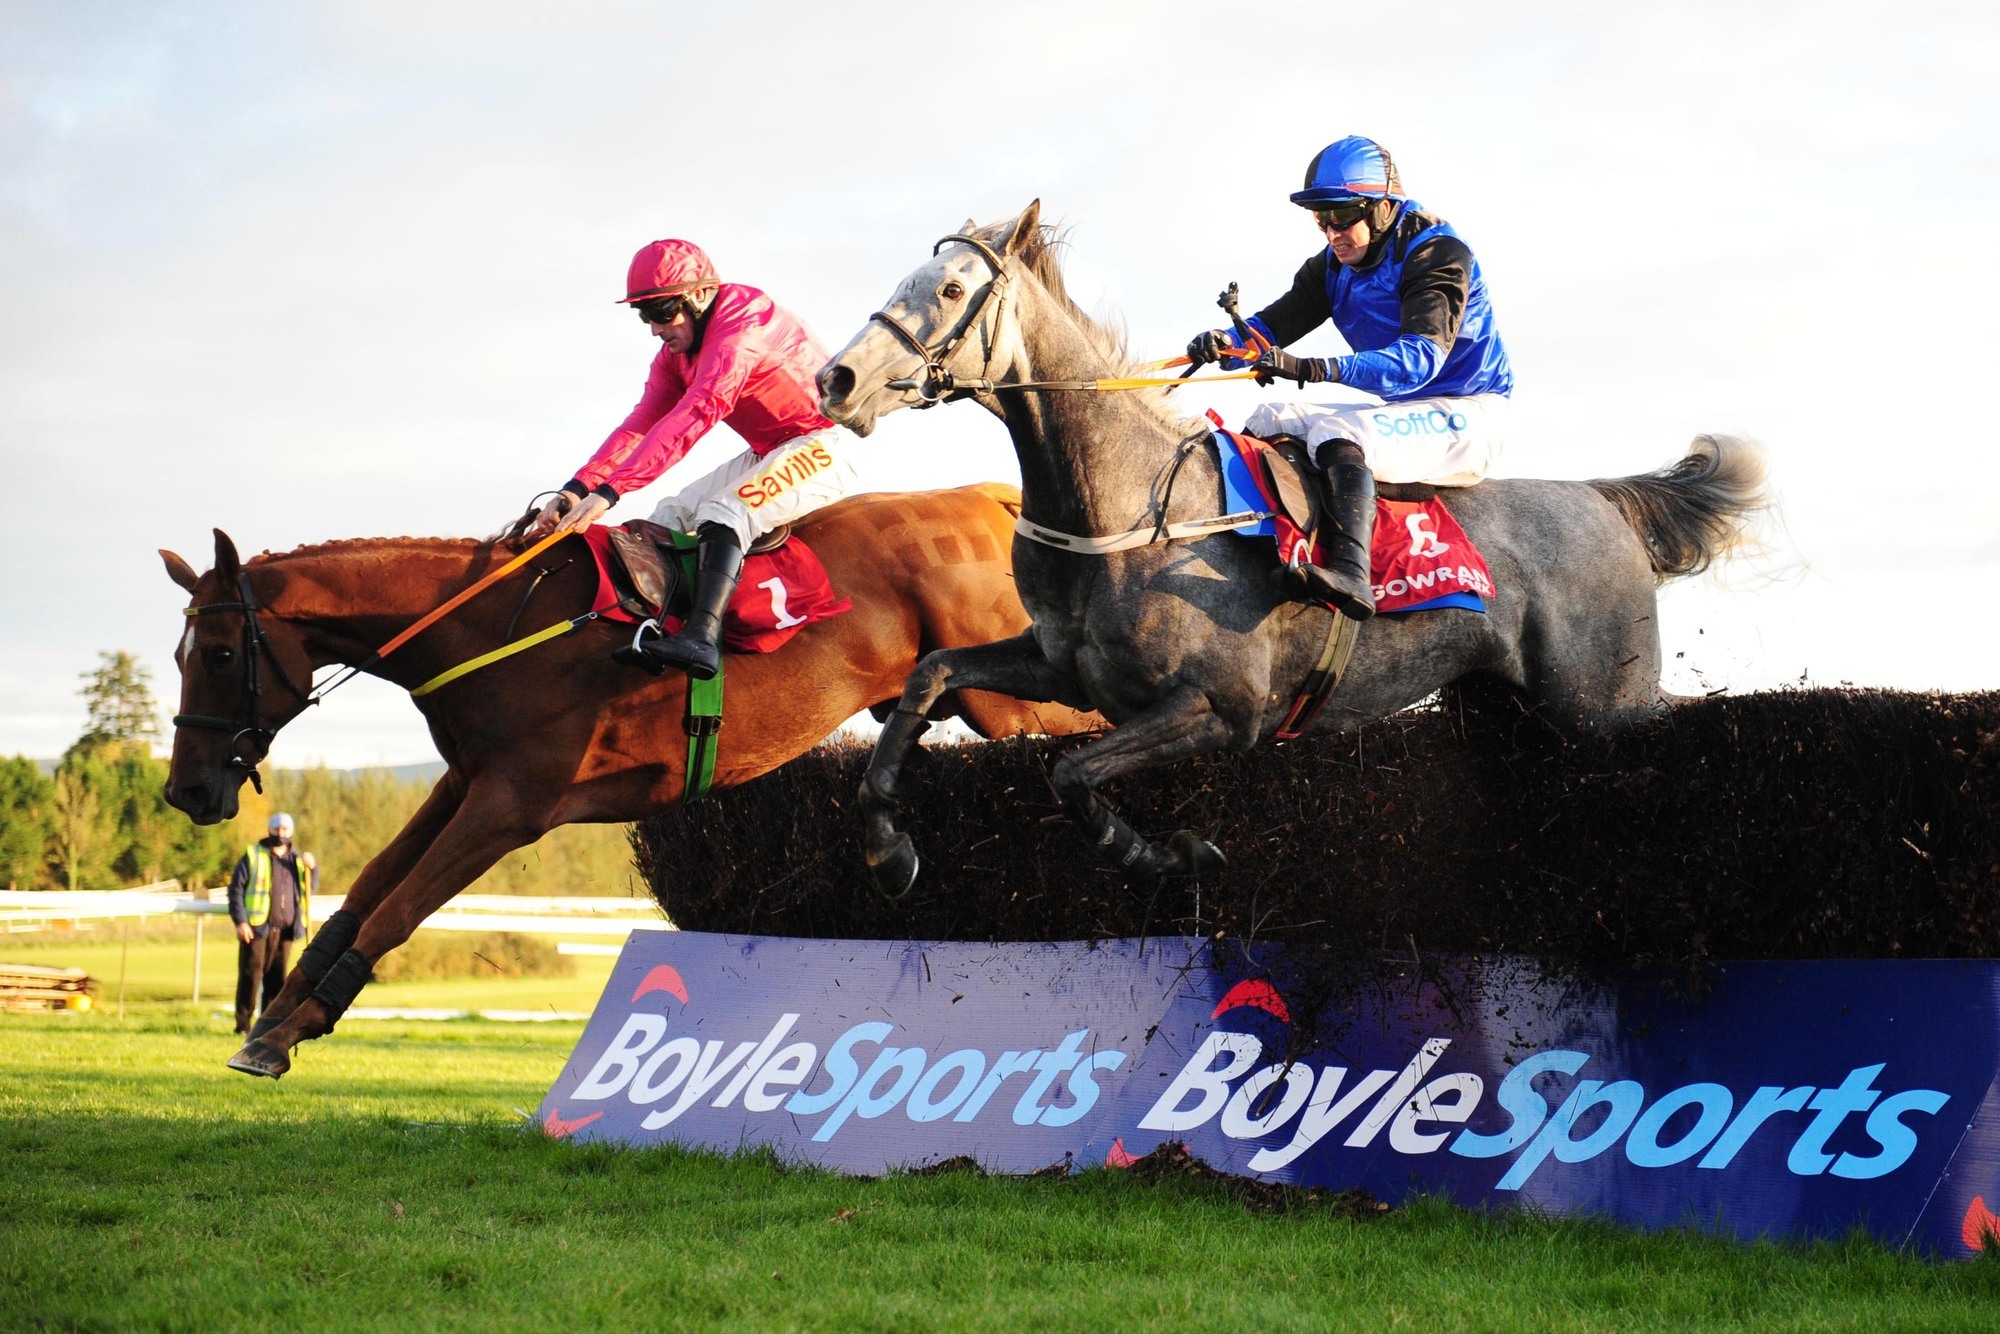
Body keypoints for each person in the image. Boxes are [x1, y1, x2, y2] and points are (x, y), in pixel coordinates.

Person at [1187, 135, 1515, 620]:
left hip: (1471, 412)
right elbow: (1272, 327)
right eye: (1320, 219)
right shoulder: (1332, 266)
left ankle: (1351, 574)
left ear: (1382, 209)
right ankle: (1282, 548)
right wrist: (1225, 343)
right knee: (1270, 415)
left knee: (1338, 431)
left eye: (1341, 217)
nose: (1331, 233)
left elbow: (1417, 362)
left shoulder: (1437, 254)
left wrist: (1312, 368)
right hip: (1405, 411)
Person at [516, 239, 856, 680]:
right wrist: (577, 489)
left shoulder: (743, 325)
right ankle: (658, 631)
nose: (655, 329)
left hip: (825, 443)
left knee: (724, 512)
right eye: (644, 315)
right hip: (770, 450)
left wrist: (612, 491)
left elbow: (700, 410)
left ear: (700, 296)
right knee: (667, 517)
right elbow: (640, 424)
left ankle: (700, 638)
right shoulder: (675, 355)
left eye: (661, 311)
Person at [227, 811, 315, 1035]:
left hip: (286, 930)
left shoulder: (298, 860)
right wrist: (241, 922)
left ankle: (268, 1026)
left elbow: (308, 889)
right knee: (251, 977)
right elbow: (235, 890)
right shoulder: (253, 856)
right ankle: (243, 1026)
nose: (280, 833)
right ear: (269, 830)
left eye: (285, 830)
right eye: (276, 829)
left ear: (291, 832)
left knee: (277, 981)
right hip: (256, 928)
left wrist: (313, 869)